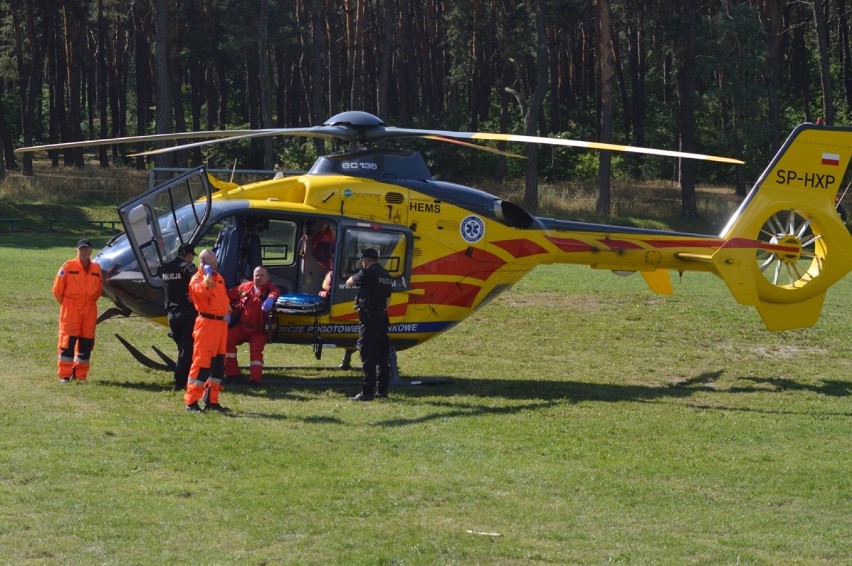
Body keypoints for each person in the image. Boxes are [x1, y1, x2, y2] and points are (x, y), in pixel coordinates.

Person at [184, 249, 231, 412]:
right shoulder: (197, 280)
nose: (215, 266)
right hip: (206, 325)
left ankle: (212, 400)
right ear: (203, 264)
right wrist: (208, 276)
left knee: (218, 365)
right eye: (211, 264)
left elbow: (222, 298)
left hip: (221, 326)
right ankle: (191, 402)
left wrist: (228, 310)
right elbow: (203, 293)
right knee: (202, 363)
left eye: (216, 263)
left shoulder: (219, 278)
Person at [345, 248, 393, 400]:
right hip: (382, 316)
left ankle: (367, 391)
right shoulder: (386, 275)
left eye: (362, 260)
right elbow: (388, 300)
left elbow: (349, 283)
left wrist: (360, 272)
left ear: (366, 260)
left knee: (367, 353)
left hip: (369, 317)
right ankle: (382, 390)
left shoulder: (366, 273)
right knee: (381, 354)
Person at [52, 239, 103, 382]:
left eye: (87, 249)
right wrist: (68, 304)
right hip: (71, 309)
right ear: (77, 250)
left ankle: (80, 375)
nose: (84, 252)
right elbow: (57, 290)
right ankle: (65, 375)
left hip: (89, 310)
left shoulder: (96, 269)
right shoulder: (68, 267)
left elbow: (98, 290)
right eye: (82, 249)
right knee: (67, 342)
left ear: (91, 251)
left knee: (86, 343)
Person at [225, 266, 281, 387]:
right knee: (226, 340)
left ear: (267, 278)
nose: (259, 278)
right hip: (241, 327)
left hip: (258, 330)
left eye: (262, 275)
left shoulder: (270, 289)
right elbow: (228, 295)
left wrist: (271, 299)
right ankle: (232, 374)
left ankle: (254, 380)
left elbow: (275, 291)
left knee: (256, 352)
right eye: (256, 275)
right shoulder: (245, 287)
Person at [159, 243, 197, 390]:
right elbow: (198, 280)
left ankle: (183, 375)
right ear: (188, 255)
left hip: (171, 314)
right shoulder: (189, 267)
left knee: (182, 346)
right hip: (186, 312)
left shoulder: (165, 268)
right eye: (192, 255)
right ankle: (181, 380)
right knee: (187, 347)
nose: (192, 258)